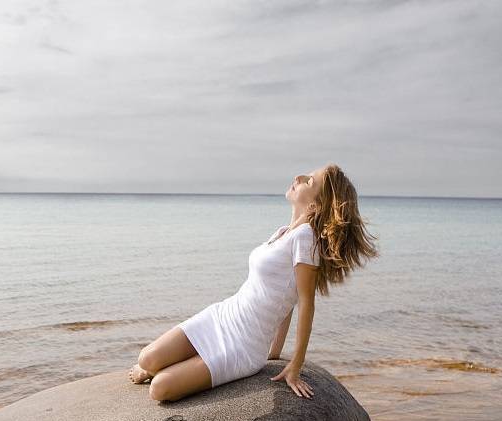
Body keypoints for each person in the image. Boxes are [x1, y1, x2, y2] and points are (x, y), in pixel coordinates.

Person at [128, 163, 379, 402]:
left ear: (315, 205)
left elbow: (305, 302)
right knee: (147, 358)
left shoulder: (305, 238)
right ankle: (160, 367)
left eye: (309, 180)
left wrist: (295, 366)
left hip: (243, 345)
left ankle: (172, 370)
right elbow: (285, 298)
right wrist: (275, 353)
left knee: (159, 389)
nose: (298, 178)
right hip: (222, 316)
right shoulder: (283, 232)